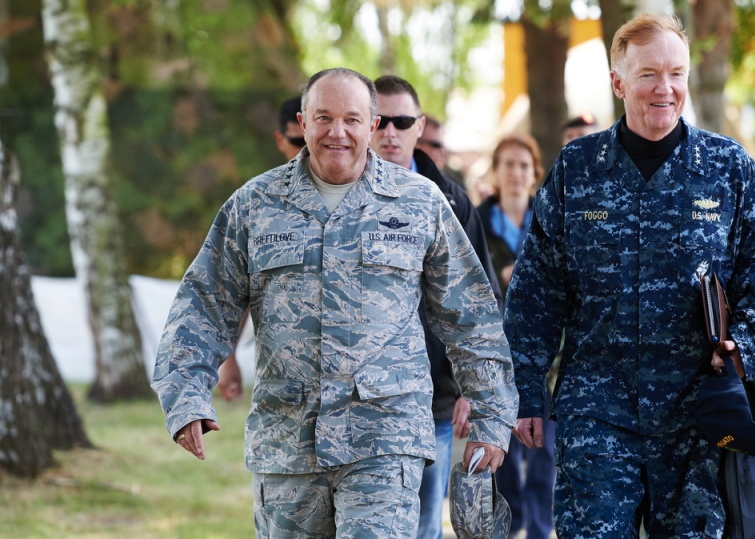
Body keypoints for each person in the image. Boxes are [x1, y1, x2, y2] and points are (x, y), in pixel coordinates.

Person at [503, 14, 755, 538]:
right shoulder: (577, 169)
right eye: (648, 75)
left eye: (677, 74)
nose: (665, 89)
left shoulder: (728, 168)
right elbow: (537, 292)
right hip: (598, 413)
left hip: (699, 420)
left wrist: (744, 345)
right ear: (618, 82)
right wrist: (526, 389)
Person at [152, 67, 518, 538]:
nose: (337, 132)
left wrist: (491, 413)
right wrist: (185, 396)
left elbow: (471, 315)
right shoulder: (254, 205)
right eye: (323, 117)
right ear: (302, 123)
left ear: (372, 125)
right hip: (287, 446)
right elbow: (203, 302)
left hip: (385, 442)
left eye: (351, 118)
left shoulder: (420, 204)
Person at [370, 74, 503, 539]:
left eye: (401, 121)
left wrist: (474, 388)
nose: (390, 131)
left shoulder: (452, 201)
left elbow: (481, 303)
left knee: (424, 527)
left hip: (435, 404)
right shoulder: (336, 197)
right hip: (359, 407)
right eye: (379, 120)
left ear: (419, 126)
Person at [477, 134, 556, 539]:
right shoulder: (475, 223)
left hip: (544, 362)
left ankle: (541, 530)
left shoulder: (548, 220)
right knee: (501, 458)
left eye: (523, 165)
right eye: (507, 164)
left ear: (534, 173)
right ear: (495, 172)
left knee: (545, 454)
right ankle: (510, 528)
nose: (515, 173)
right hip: (493, 360)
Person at [217, 96, 307, 402]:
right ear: (280, 140)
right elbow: (237, 288)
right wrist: (228, 360)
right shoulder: (258, 204)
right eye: (298, 140)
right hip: (285, 395)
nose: (308, 148)